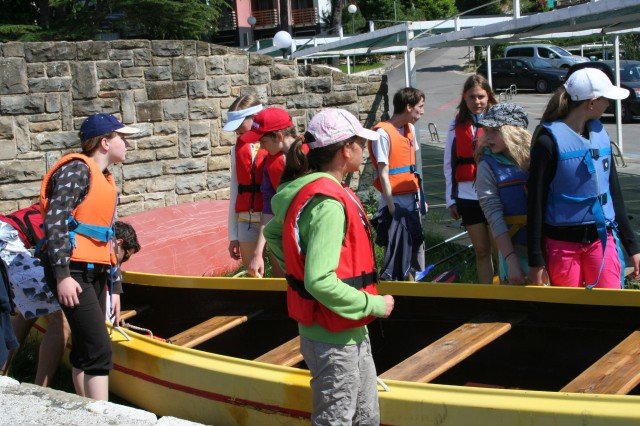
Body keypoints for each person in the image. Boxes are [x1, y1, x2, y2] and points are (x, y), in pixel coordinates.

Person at [264, 108, 395, 425]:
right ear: (345, 150)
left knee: (366, 416)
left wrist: (297, 262)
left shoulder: (319, 191)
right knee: (336, 419)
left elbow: (273, 233)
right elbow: (319, 281)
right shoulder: (328, 203)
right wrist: (374, 304)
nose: (363, 150)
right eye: (359, 143)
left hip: (346, 329)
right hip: (333, 337)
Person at [39, 113, 139, 400]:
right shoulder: (77, 171)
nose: (128, 144)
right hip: (73, 271)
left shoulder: (104, 179)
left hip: (95, 271)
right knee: (99, 349)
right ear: (105, 142)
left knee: (86, 348)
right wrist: (62, 276)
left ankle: (86, 410)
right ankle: (102, 415)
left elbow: (109, 236)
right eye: (123, 138)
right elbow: (56, 221)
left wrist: (115, 286)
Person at [527, 68, 640, 288]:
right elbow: (535, 203)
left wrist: (633, 247)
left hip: (602, 239)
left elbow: (613, 194)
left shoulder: (601, 136)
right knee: (569, 307)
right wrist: (536, 261)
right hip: (562, 244)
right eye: (606, 99)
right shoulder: (547, 142)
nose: (609, 104)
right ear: (592, 103)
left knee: (609, 303)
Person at [1, 211, 140, 385]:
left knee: (33, 305)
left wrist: (116, 289)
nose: (121, 263)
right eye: (125, 257)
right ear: (118, 243)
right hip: (8, 240)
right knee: (63, 320)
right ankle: (39, 390)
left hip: (8, 236)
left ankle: (3, 375)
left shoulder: (89, 219)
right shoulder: (85, 225)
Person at [444, 74, 498, 284]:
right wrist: (451, 199)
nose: (477, 101)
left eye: (481, 97)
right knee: (481, 250)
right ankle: (487, 294)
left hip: (494, 194)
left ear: (488, 96)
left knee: (499, 249)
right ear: (464, 98)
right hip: (467, 197)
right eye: (472, 97)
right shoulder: (455, 124)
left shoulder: (499, 122)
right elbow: (449, 163)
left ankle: (506, 292)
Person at [369, 87, 427, 281]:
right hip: (394, 202)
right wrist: (392, 207)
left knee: (416, 248)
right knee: (397, 252)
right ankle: (395, 288)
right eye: (420, 106)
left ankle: (414, 287)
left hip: (412, 199)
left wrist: (421, 198)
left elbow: (413, 168)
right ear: (409, 107)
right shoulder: (383, 134)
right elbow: (383, 173)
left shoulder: (410, 129)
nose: (422, 111)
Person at [238, 106, 302, 278]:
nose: (262, 147)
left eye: (263, 141)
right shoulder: (270, 165)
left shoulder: (313, 157)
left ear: (279, 136)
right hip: (287, 233)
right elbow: (268, 209)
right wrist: (258, 253)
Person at [475, 103, 534, 285]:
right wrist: (511, 261)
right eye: (486, 130)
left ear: (514, 131)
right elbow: (493, 215)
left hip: (545, 248)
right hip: (514, 251)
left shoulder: (536, 158)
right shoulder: (487, 166)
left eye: (495, 131)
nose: (488, 137)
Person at [222, 95, 267, 274]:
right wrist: (233, 236)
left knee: (282, 275)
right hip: (246, 220)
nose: (237, 131)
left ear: (255, 117)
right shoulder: (237, 149)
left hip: (272, 218)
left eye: (240, 124)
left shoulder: (275, 144)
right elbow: (235, 190)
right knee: (253, 273)